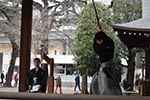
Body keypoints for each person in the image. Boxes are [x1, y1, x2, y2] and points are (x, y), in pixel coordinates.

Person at [90, 26, 122, 95]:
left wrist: (100, 32)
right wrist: (100, 32)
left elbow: (95, 47)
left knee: (104, 85)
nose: (97, 42)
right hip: (110, 65)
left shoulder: (101, 48)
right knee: (112, 83)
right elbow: (109, 40)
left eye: (97, 41)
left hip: (105, 66)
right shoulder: (110, 43)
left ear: (101, 40)